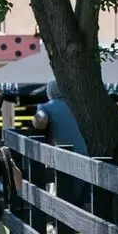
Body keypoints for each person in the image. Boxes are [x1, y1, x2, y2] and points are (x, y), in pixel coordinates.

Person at [32, 80, 89, 209]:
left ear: (49, 92)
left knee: (65, 200)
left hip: (63, 158)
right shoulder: (77, 105)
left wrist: (35, 119)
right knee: (79, 198)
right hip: (84, 154)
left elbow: (40, 121)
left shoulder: (46, 107)